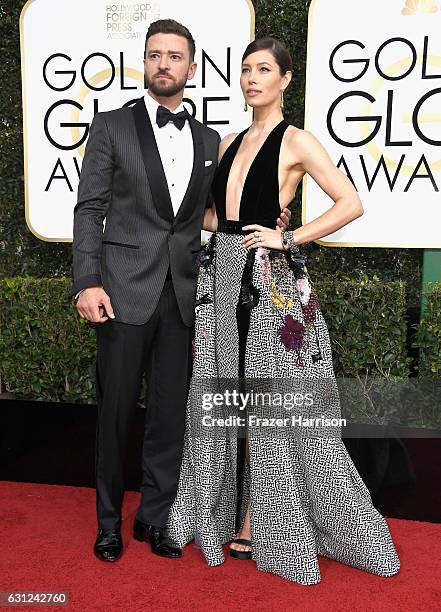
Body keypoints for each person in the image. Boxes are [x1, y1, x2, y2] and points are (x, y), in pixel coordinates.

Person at [166, 37, 401, 585]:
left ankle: (260, 516)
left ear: (285, 80)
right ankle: (219, 508)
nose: (252, 78)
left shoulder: (298, 141)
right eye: (245, 69)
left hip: (271, 287)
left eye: (264, 69)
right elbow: (213, 219)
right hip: (221, 278)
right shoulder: (224, 143)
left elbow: (351, 203)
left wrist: (287, 236)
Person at [71, 20, 290, 563]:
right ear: (144, 64)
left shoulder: (208, 140)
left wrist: (275, 219)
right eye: (154, 55)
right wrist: (87, 282)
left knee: (169, 414)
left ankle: (153, 516)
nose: (163, 64)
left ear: (192, 69)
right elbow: (89, 209)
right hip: (120, 292)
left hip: (184, 294)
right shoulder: (111, 126)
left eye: (175, 57)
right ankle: (107, 523)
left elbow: (209, 216)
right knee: (116, 411)